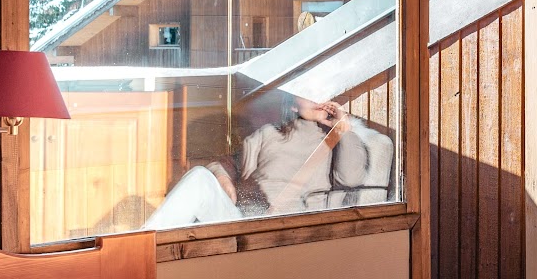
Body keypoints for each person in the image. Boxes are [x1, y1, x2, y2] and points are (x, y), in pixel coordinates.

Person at [146, 96, 385, 228]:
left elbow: (351, 178)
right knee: (199, 178)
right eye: (307, 91)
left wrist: (342, 128)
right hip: (244, 224)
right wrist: (222, 177)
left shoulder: (337, 139)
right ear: (293, 104)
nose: (317, 96)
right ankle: (141, 252)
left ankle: (139, 256)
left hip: (288, 232)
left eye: (321, 89)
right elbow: (228, 163)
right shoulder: (269, 134)